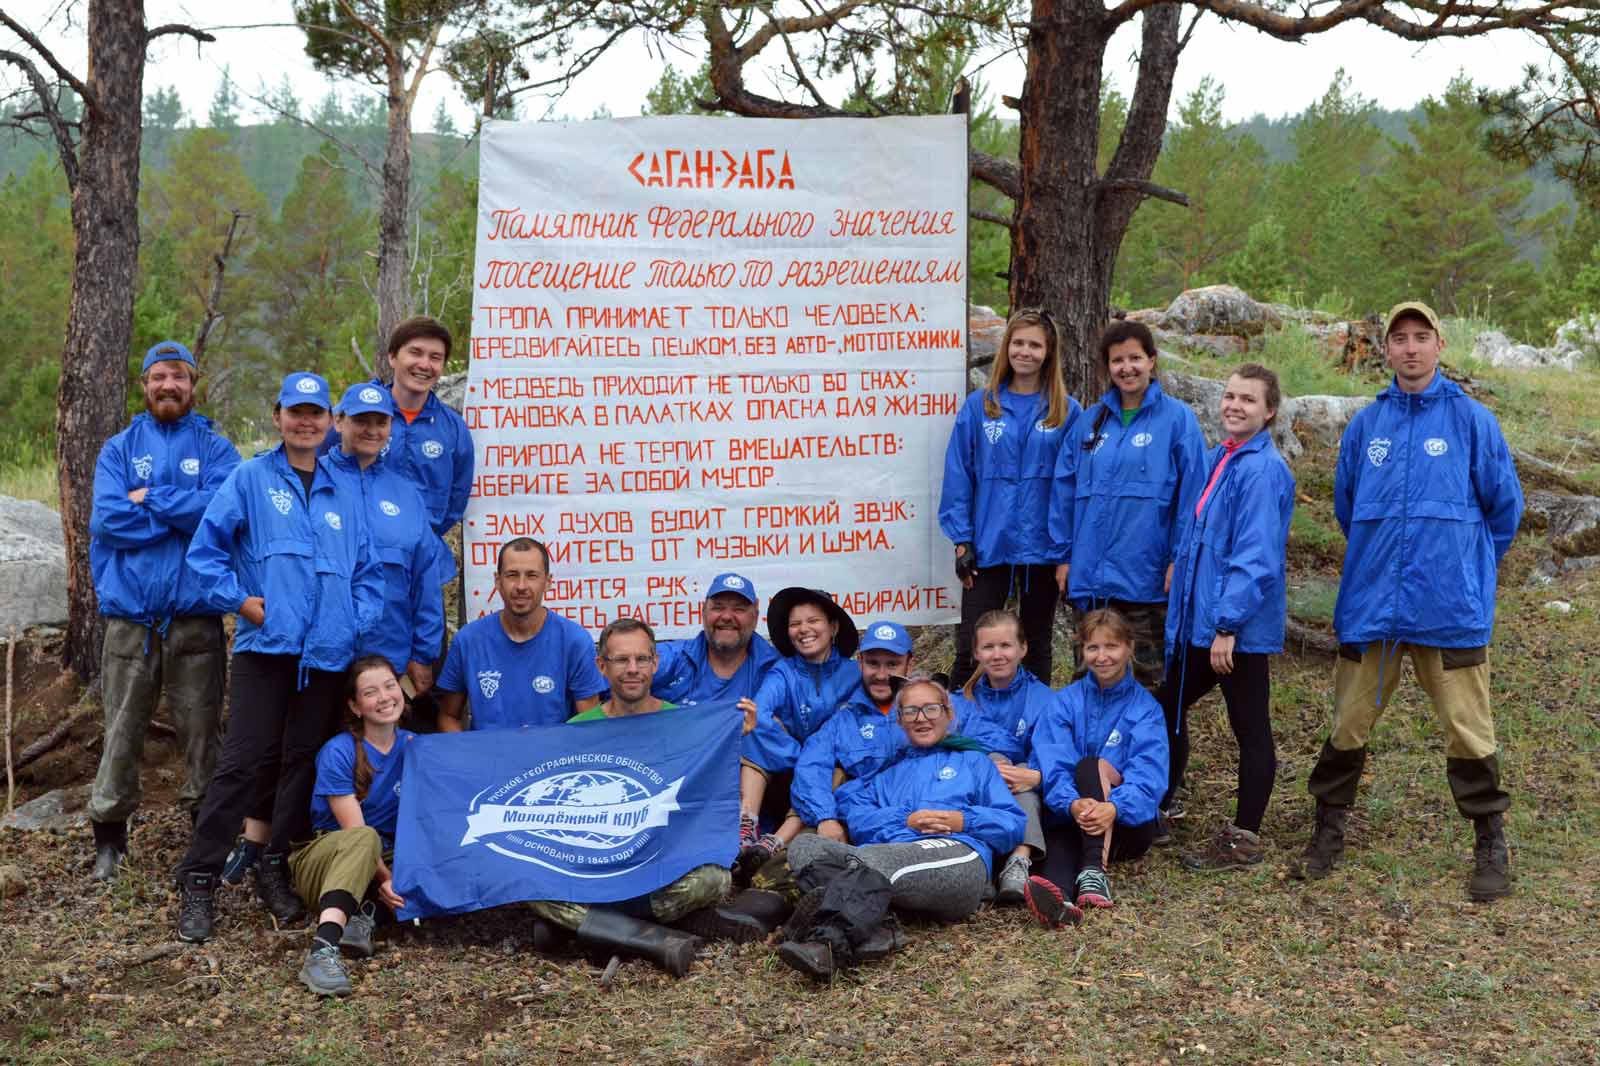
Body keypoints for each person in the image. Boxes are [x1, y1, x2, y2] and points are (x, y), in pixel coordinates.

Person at [1294, 302, 1523, 902]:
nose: (1412, 348)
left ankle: (1490, 840)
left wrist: (1466, 566)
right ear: (1386, 350)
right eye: (1401, 339)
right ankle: (1327, 832)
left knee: (1467, 728)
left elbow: (1505, 510)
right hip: (1372, 606)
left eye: (1423, 337)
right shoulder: (1367, 428)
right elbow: (1348, 508)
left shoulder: (1473, 422)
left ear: (1440, 345)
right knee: (1348, 721)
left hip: (1448, 609)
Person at [174, 372, 384, 944]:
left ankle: (272, 865)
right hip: (266, 650)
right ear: (278, 416)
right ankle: (198, 878)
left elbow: (366, 572)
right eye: (296, 411)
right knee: (243, 763)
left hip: (326, 656)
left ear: (329, 422)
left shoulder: (343, 489)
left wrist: (353, 619)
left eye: (317, 413)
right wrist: (242, 602)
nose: (307, 421)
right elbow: (204, 553)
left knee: (301, 764)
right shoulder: (249, 479)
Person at [227, 382, 449, 886]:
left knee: (370, 757)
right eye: (360, 419)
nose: (371, 429)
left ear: (390, 427)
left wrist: (423, 650)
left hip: (386, 651)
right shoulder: (317, 475)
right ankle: (270, 845)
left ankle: (372, 855)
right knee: (296, 750)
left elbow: (424, 578)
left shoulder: (407, 493)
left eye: (381, 421)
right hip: (323, 648)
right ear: (339, 422)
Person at [524, 618, 765, 976]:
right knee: (528, 882)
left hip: (659, 865)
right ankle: (654, 934)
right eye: (621, 660)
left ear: (655, 663)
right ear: (602, 667)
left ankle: (590, 928)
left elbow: (708, 795)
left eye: (641, 659)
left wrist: (735, 734)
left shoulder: (684, 724)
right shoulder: (578, 730)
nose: (632, 670)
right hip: (597, 867)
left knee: (715, 879)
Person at [86, 340, 240, 881]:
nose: (168, 385)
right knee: (122, 727)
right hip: (131, 618)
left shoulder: (217, 448)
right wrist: (181, 510)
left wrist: (148, 497)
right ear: (145, 384)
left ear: (193, 383)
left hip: (195, 616)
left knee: (201, 731)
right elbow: (107, 521)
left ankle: (206, 832)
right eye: (159, 377)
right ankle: (109, 834)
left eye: (178, 376)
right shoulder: (119, 449)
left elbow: (222, 511)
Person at [775, 673, 1025, 980]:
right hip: (894, 853)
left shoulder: (974, 762)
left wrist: (964, 819)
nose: (921, 719)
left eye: (931, 709)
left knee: (876, 862)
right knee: (805, 847)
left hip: (959, 855)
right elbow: (857, 816)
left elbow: (1012, 823)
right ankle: (881, 925)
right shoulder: (889, 772)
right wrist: (904, 819)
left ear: (948, 714)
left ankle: (826, 943)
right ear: (900, 721)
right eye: (911, 711)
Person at [1157, 364, 1296, 869]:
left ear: (1270, 411)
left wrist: (1228, 626)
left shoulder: (1261, 469)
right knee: (1166, 708)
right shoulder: (1223, 457)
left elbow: (1255, 558)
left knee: (1250, 726)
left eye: (1249, 400)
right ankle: (1159, 807)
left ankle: (1245, 839)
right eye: (1230, 396)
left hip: (1236, 631)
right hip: (1205, 621)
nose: (1235, 406)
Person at [1050, 320, 1206, 690]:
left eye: (1135, 358)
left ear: (1152, 361)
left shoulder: (1178, 420)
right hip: (1091, 581)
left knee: (1150, 685)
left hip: (1146, 580)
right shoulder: (1090, 422)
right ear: (1108, 367)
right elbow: (1063, 492)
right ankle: (1089, 750)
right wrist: (1064, 557)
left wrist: (1178, 558)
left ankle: (1152, 749)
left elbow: (1194, 498)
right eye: (1117, 360)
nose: (1127, 368)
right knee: (1089, 682)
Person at [940, 308, 1081, 686]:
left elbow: (1074, 488)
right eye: (1018, 342)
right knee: (973, 644)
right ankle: (955, 730)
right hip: (989, 545)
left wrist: (1065, 552)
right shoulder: (980, 406)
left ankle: (1036, 733)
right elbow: (959, 475)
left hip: (1043, 548)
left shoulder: (1066, 412)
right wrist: (961, 540)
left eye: (1035, 345)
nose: (1025, 351)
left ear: (1048, 352)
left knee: (1036, 645)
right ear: (1006, 348)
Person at [1025, 609, 1168, 925]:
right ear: (1082, 651)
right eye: (1093, 648)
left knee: (1092, 766)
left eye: (1111, 646)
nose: (1102, 657)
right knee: (1063, 829)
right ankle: (1060, 904)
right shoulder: (1064, 702)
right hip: (1072, 815)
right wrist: (1072, 803)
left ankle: (1094, 869)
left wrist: (1114, 808)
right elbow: (1051, 763)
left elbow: (1149, 774)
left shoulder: (1147, 709)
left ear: (1129, 647)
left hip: (1127, 826)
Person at [292, 657, 415, 997]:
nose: (385, 697)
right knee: (366, 837)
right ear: (355, 705)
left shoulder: (415, 746)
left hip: (388, 854)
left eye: (390, 686)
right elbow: (355, 832)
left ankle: (367, 916)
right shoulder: (339, 751)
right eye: (371, 692)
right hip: (328, 857)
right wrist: (388, 880)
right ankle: (322, 951)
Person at [324, 316, 472, 584]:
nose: (424, 364)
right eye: (415, 352)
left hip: (422, 567)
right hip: (351, 564)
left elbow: (457, 500)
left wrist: (419, 536)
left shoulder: (454, 429)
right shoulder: (354, 414)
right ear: (392, 357)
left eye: (435, 357)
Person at [737, 587, 861, 869]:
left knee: (836, 763)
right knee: (753, 727)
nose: (803, 629)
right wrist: (799, 752)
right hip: (785, 767)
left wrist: (813, 757)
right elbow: (760, 710)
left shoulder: (853, 674)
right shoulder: (784, 671)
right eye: (795, 624)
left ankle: (775, 841)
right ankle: (746, 826)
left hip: (826, 775)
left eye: (813, 621)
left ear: (833, 626)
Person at [434, 538, 605, 731]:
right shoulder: (468, 640)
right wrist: (468, 758)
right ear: (498, 581)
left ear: (548, 582)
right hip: (488, 758)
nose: (521, 586)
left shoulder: (575, 641)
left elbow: (590, 727)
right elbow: (448, 716)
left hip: (553, 758)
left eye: (532, 575)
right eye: (512, 575)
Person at [949, 609, 1055, 904]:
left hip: (1022, 790)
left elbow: (1054, 755)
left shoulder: (1045, 700)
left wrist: (1033, 774)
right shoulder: (959, 702)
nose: (997, 655)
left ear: (1023, 648)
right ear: (976, 653)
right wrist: (984, 763)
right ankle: (976, 866)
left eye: (1005, 646)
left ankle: (1019, 861)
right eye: (988, 647)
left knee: (1018, 774)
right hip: (975, 787)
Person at [789, 621, 913, 841]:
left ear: (909, 665)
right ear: (860, 663)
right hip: (858, 824)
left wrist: (995, 756)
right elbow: (811, 768)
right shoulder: (841, 721)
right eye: (873, 664)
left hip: (918, 822)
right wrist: (825, 818)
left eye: (892, 664)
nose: (882, 675)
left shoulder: (933, 710)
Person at [650, 573, 781, 707]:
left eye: (739, 609)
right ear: (703, 612)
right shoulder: (672, 658)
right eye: (718, 607)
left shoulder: (777, 668)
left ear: (755, 617)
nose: (727, 617)